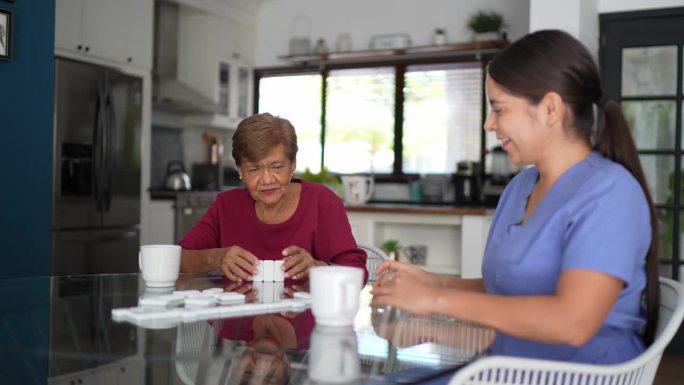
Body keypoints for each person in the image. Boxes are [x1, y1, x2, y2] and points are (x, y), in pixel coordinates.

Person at [371, 29, 660, 365]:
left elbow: (572, 322)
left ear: (550, 108)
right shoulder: (521, 187)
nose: (488, 124)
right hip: (508, 364)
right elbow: (510, 293)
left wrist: (434, 299)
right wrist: (433, 289)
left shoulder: (610, 194)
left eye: (498, 109)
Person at [178, 112, 367, 282]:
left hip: (306, 319)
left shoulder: (321, 202)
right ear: (240, 171)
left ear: (293, 164)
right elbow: (177, 259)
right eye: (254, 169)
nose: (267, 180)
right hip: (238, 319)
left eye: (277, 167)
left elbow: (357, 273)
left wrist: (316, 268)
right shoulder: (226, 206)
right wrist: (215, 258)